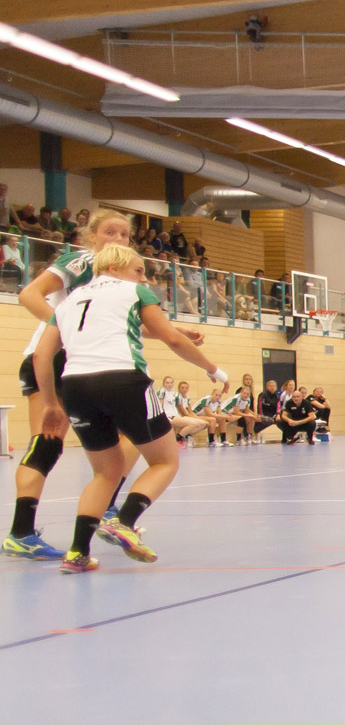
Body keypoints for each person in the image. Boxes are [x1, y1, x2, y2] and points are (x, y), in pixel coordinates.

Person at [3, 209, 201, 560]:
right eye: (110, 232)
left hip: (86, 365)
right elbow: (30, 294)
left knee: (132, 439)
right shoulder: (82, 261)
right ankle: (22, 532)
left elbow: (114, 324)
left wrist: (176, 330)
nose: (119, 239)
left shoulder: (119, 280)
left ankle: (106, 511)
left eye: (125, 235)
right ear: (90, 236)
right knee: (47, 443)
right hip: (56, 359)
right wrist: (63, 330)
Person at [32, 244, 229, 572]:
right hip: (125, 380)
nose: (143, 277)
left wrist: (51, 403)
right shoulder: (135, 292)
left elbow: (42, 354)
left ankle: (77, 553)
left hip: (75, 387)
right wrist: (213, 370)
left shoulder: (69, 301)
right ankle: (123, 522)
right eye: (139, 270)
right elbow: (173, 338)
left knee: (104, 472)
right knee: (164, 461)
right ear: (115, 267)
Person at [157, 375, 208, 447]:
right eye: (167, 383)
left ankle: (185, 437)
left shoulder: (174, 393)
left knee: (201, 423)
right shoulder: (162, 391)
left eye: (171, 383)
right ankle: (178, 439)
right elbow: (159, 405)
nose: (169, 384)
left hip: (176, 415)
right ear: (163, 384)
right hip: (169, 416)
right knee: (193, 424)